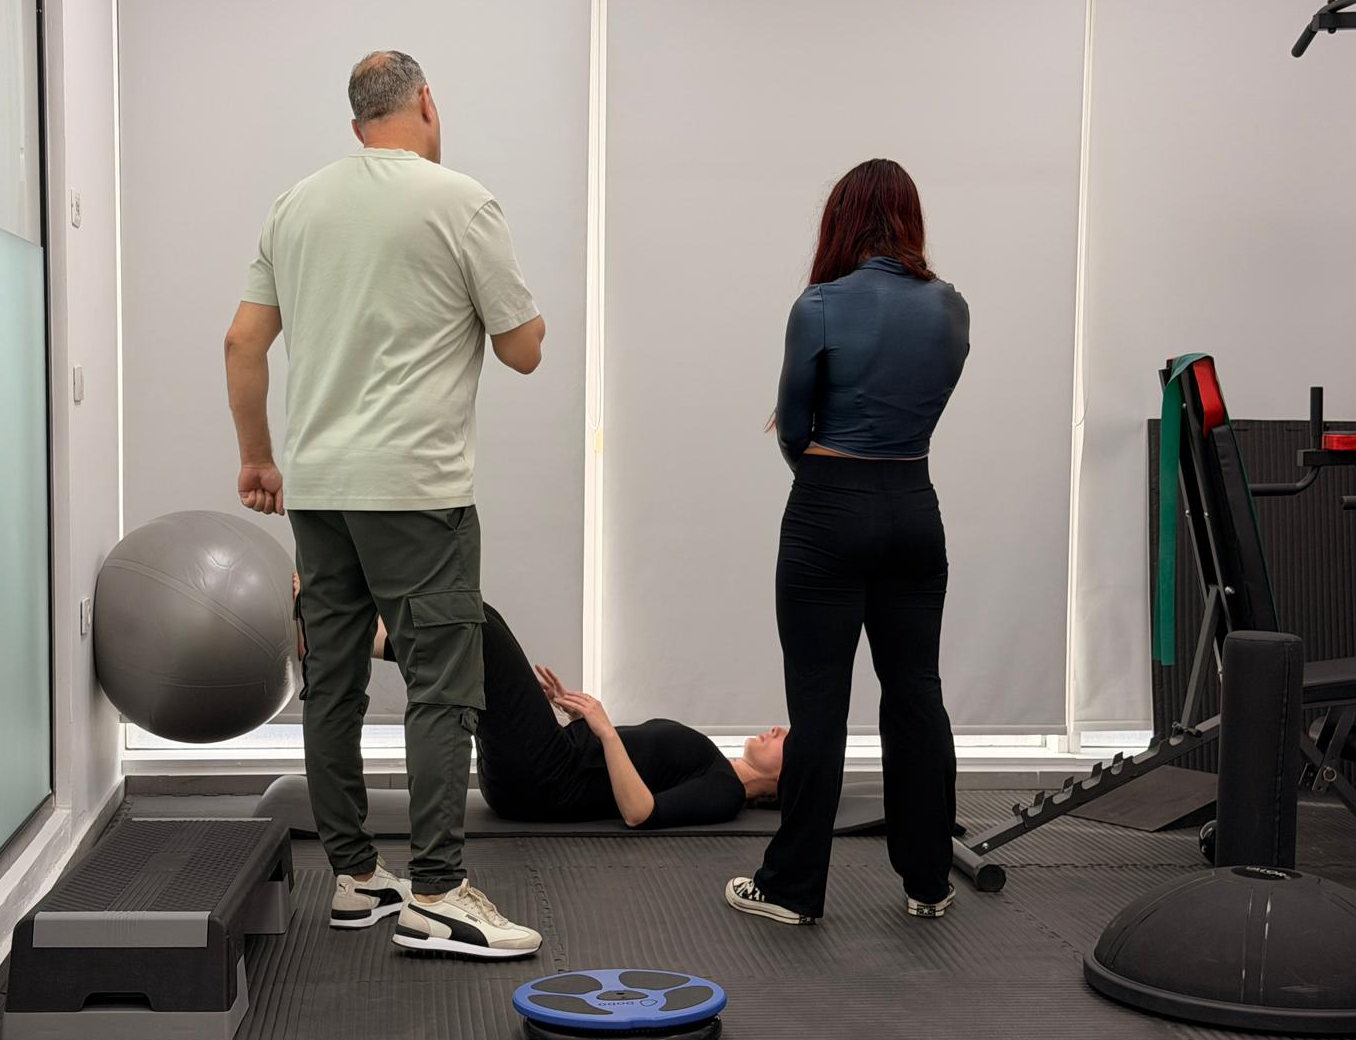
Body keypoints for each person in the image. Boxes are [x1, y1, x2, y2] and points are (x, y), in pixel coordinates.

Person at [223, 51, 548, 960]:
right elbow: (524, 350)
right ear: (427, 104)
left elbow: (242, 342)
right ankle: (437, 892)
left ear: (357, 122)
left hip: (321, 490)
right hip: (416, 492)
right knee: (443, 686)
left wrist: (258, 458)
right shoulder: (460, 202)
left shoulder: (296, 205)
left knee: (333, 681)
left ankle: (357, 877)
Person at [726, 159, 970, 928]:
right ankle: (929, 880)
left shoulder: (819, 305)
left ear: (840, 220)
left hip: (828, 508)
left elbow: (793, 429)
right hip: (913, 505)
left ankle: (792, 889)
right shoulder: (951, 307)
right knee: (916, 694)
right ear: (910, 218)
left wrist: (829, 483)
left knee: (818, 704)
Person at [297, 579, 786, 827]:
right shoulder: (717, 768)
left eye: (788, 740)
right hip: (549, 762)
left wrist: (604, 730)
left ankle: (333, 631)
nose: (778, 729)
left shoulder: (725, 793)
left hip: (545, 780)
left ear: (787, 776)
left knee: (482, 630)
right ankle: (339, 634)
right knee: (479, 624)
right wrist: (573, 714)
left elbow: (641, 812)